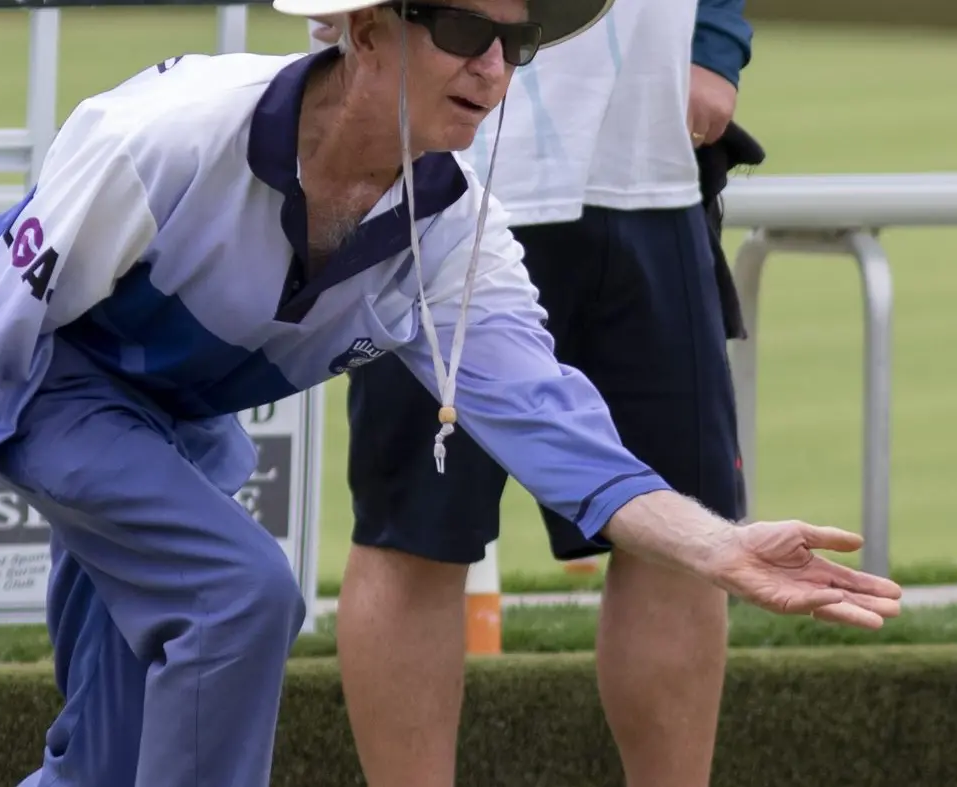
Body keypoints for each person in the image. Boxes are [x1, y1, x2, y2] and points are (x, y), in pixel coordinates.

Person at [0, 1, 902, 786]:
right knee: (239, 593)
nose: (494, 69)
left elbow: (555, 428)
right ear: (361, 29)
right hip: (44, 380)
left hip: (176, 429)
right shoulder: (167, 131)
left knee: (109, 758)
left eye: (516, 43)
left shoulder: (453, 232)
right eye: (460, 27)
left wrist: (713, 545)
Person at [327, 1, 771, 785]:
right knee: (412, 534)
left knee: (684, 529)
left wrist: (716, 38)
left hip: (650, 163)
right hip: (438, 156)